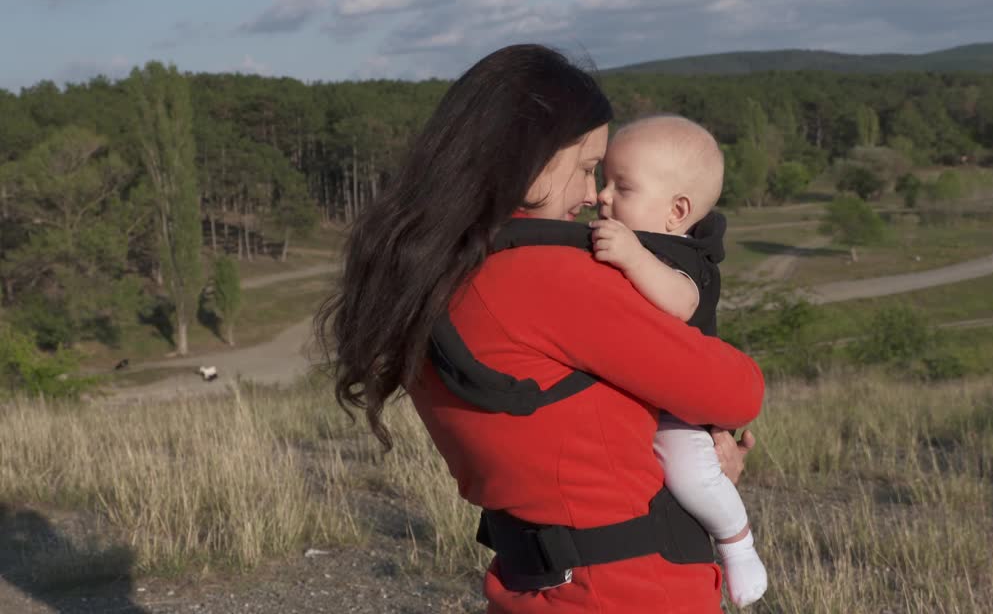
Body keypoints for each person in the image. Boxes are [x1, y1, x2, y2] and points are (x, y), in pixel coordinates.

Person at [315, 44, 764, 614]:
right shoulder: (547, 275)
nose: (589, 195)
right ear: (529, 156)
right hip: (632, 588)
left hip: (531, 584)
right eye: (582, 168)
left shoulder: (424, 271)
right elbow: (737, 391)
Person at [589, 116, 767, 606]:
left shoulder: (681, 256)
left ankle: (737, 541)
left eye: (621, 186)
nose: (603, 196)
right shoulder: (633, 236)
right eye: (603, 180)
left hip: (680, 409)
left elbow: (680, 303)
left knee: (690, 473)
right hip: (645, 396)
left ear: (677, 211)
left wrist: (632, 258)